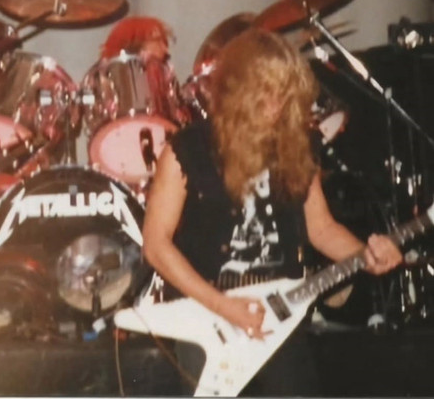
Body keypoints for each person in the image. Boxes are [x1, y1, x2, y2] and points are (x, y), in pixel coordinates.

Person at [142, 27, 402, 396]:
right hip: (208, 316)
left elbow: (321, 229)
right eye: (266, 93)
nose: (277, 106)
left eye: (284, 94)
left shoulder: (296, 148)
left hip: (281, 314)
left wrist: (367, 256)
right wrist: (223, 306)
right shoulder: (187, 149)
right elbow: (155, 245)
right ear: (238, 91)